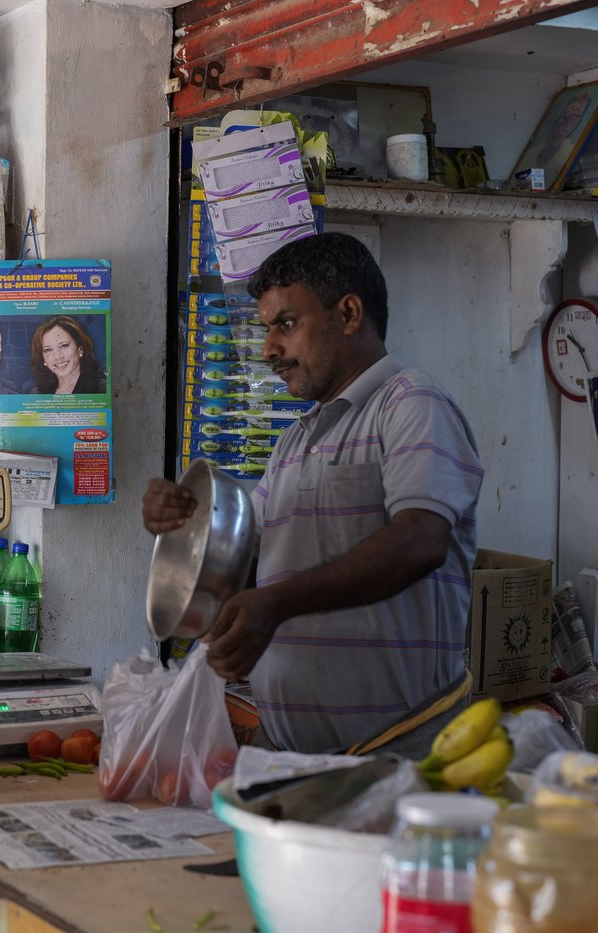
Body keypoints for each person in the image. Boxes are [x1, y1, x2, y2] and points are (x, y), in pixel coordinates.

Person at [142, 233, 484, 755]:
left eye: (286, 324)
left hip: (398, 755)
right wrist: (184, 520)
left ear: (348, 314)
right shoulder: (295, 441)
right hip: (293, 756)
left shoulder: (412, 404)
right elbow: (241, 553)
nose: (269, 349)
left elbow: (420, 542)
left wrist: (277, 604)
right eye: (266, 330)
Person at [30, 315, 106, 394]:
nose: (58, 356)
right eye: (48, 350)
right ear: (43, 358)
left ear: (80, 349)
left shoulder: (102, 389)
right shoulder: (36, 394)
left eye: (63, 346)